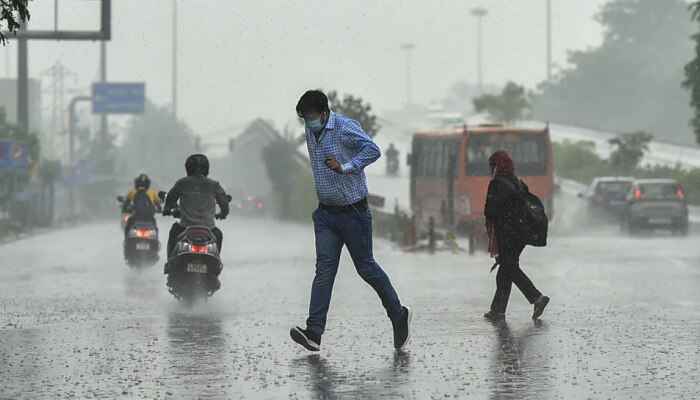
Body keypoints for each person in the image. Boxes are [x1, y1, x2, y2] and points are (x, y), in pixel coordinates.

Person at [290, 89, 412, 352]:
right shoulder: (310, 132)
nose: (308, 123)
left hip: (353, 214)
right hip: (325, 215)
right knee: (324, 271)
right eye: (304, 119)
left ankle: (398, 314)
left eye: (311, 117)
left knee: (366, 268)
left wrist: (346, 166)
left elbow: (373, 150)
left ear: (324, 113)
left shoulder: (345, 127)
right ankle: (314, 332)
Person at [483, 149, 550, 321]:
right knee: (505, 270)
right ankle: (497, 311)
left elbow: (490, 210)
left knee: (510, 268)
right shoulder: (517, 182)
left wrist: (489, 226)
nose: (491, 170)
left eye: (492, 166)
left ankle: (537, 297)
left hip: (507, 234)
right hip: (521, 234)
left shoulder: (496, 184)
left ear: (497, 166)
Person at [163, 154, 229, 289]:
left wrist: (168, 209)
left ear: (188, 168)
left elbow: (170, 199)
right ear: (206, 168)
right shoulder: (214, 185)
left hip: (184, 228)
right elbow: (224, 204)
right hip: (209, 230)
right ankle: (215, 271)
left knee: (173, 232)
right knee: (219, 235)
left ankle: (170, 265)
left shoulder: (182, 183)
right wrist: (222, 214)